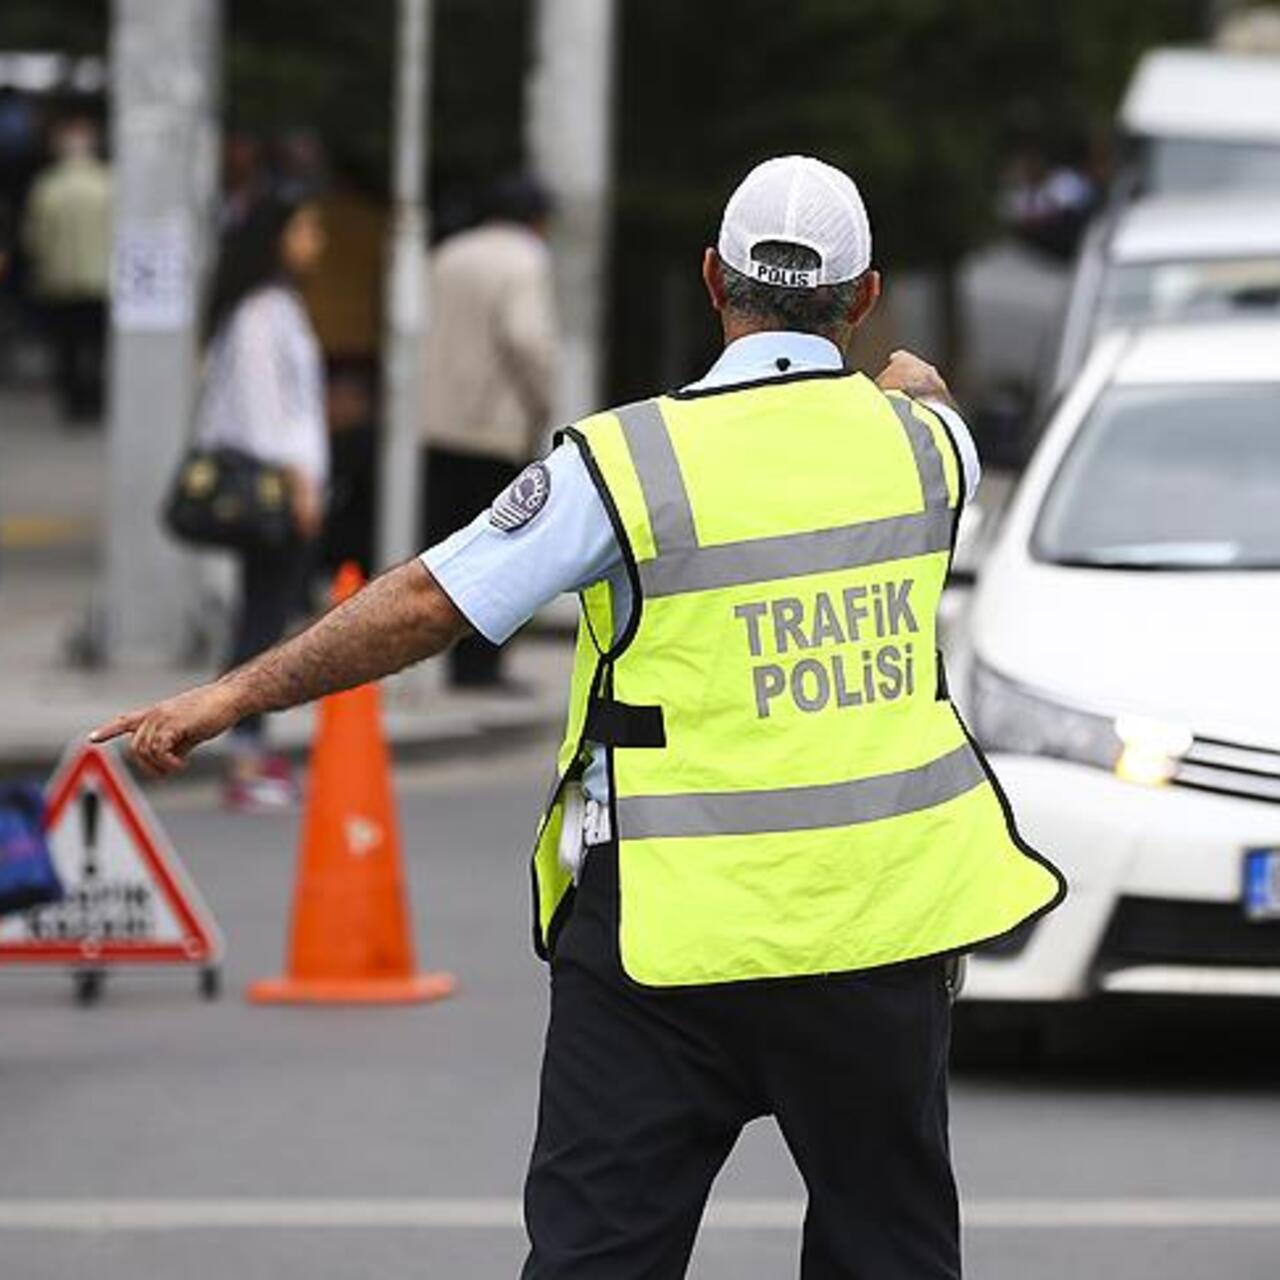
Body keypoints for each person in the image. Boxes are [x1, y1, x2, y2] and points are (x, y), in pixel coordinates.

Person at [94, 155, 1065, 1279]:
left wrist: (231, 693)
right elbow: (936, 414)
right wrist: (915, 383)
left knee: (598, 1258)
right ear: (862, 295)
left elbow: (428, 600)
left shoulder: (628, 462)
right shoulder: (927, 448)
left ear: (713, 279)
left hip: (664, 941)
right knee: (888, 1251)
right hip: (875, 936)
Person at [195, 196, 329, 811]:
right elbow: (262, 413)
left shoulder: (276, 305)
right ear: (275, 236)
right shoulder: (259, 312)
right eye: (306, 227)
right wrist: (300, 483)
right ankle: (243, 751)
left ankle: (249, 744)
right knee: (262, 619)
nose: (317, 240)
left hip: (286, 484)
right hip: (274, 490)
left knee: (266, 613)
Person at [420, 171, 559, 689]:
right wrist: (542, 401)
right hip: (495, 426)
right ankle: (483, 666)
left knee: (450, 546)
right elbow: (527, 337)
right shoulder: (525, 259)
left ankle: (455, 661)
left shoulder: (449, 254)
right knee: (502, 552)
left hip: (439, 421)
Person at [22, 115, 111, 423]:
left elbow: (35, 236)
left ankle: (74, 401)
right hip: (101, 278)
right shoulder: (108, 184)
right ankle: (94, 398)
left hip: (60, 278)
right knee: (96, 344)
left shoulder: (47, 188)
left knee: (67, 345)